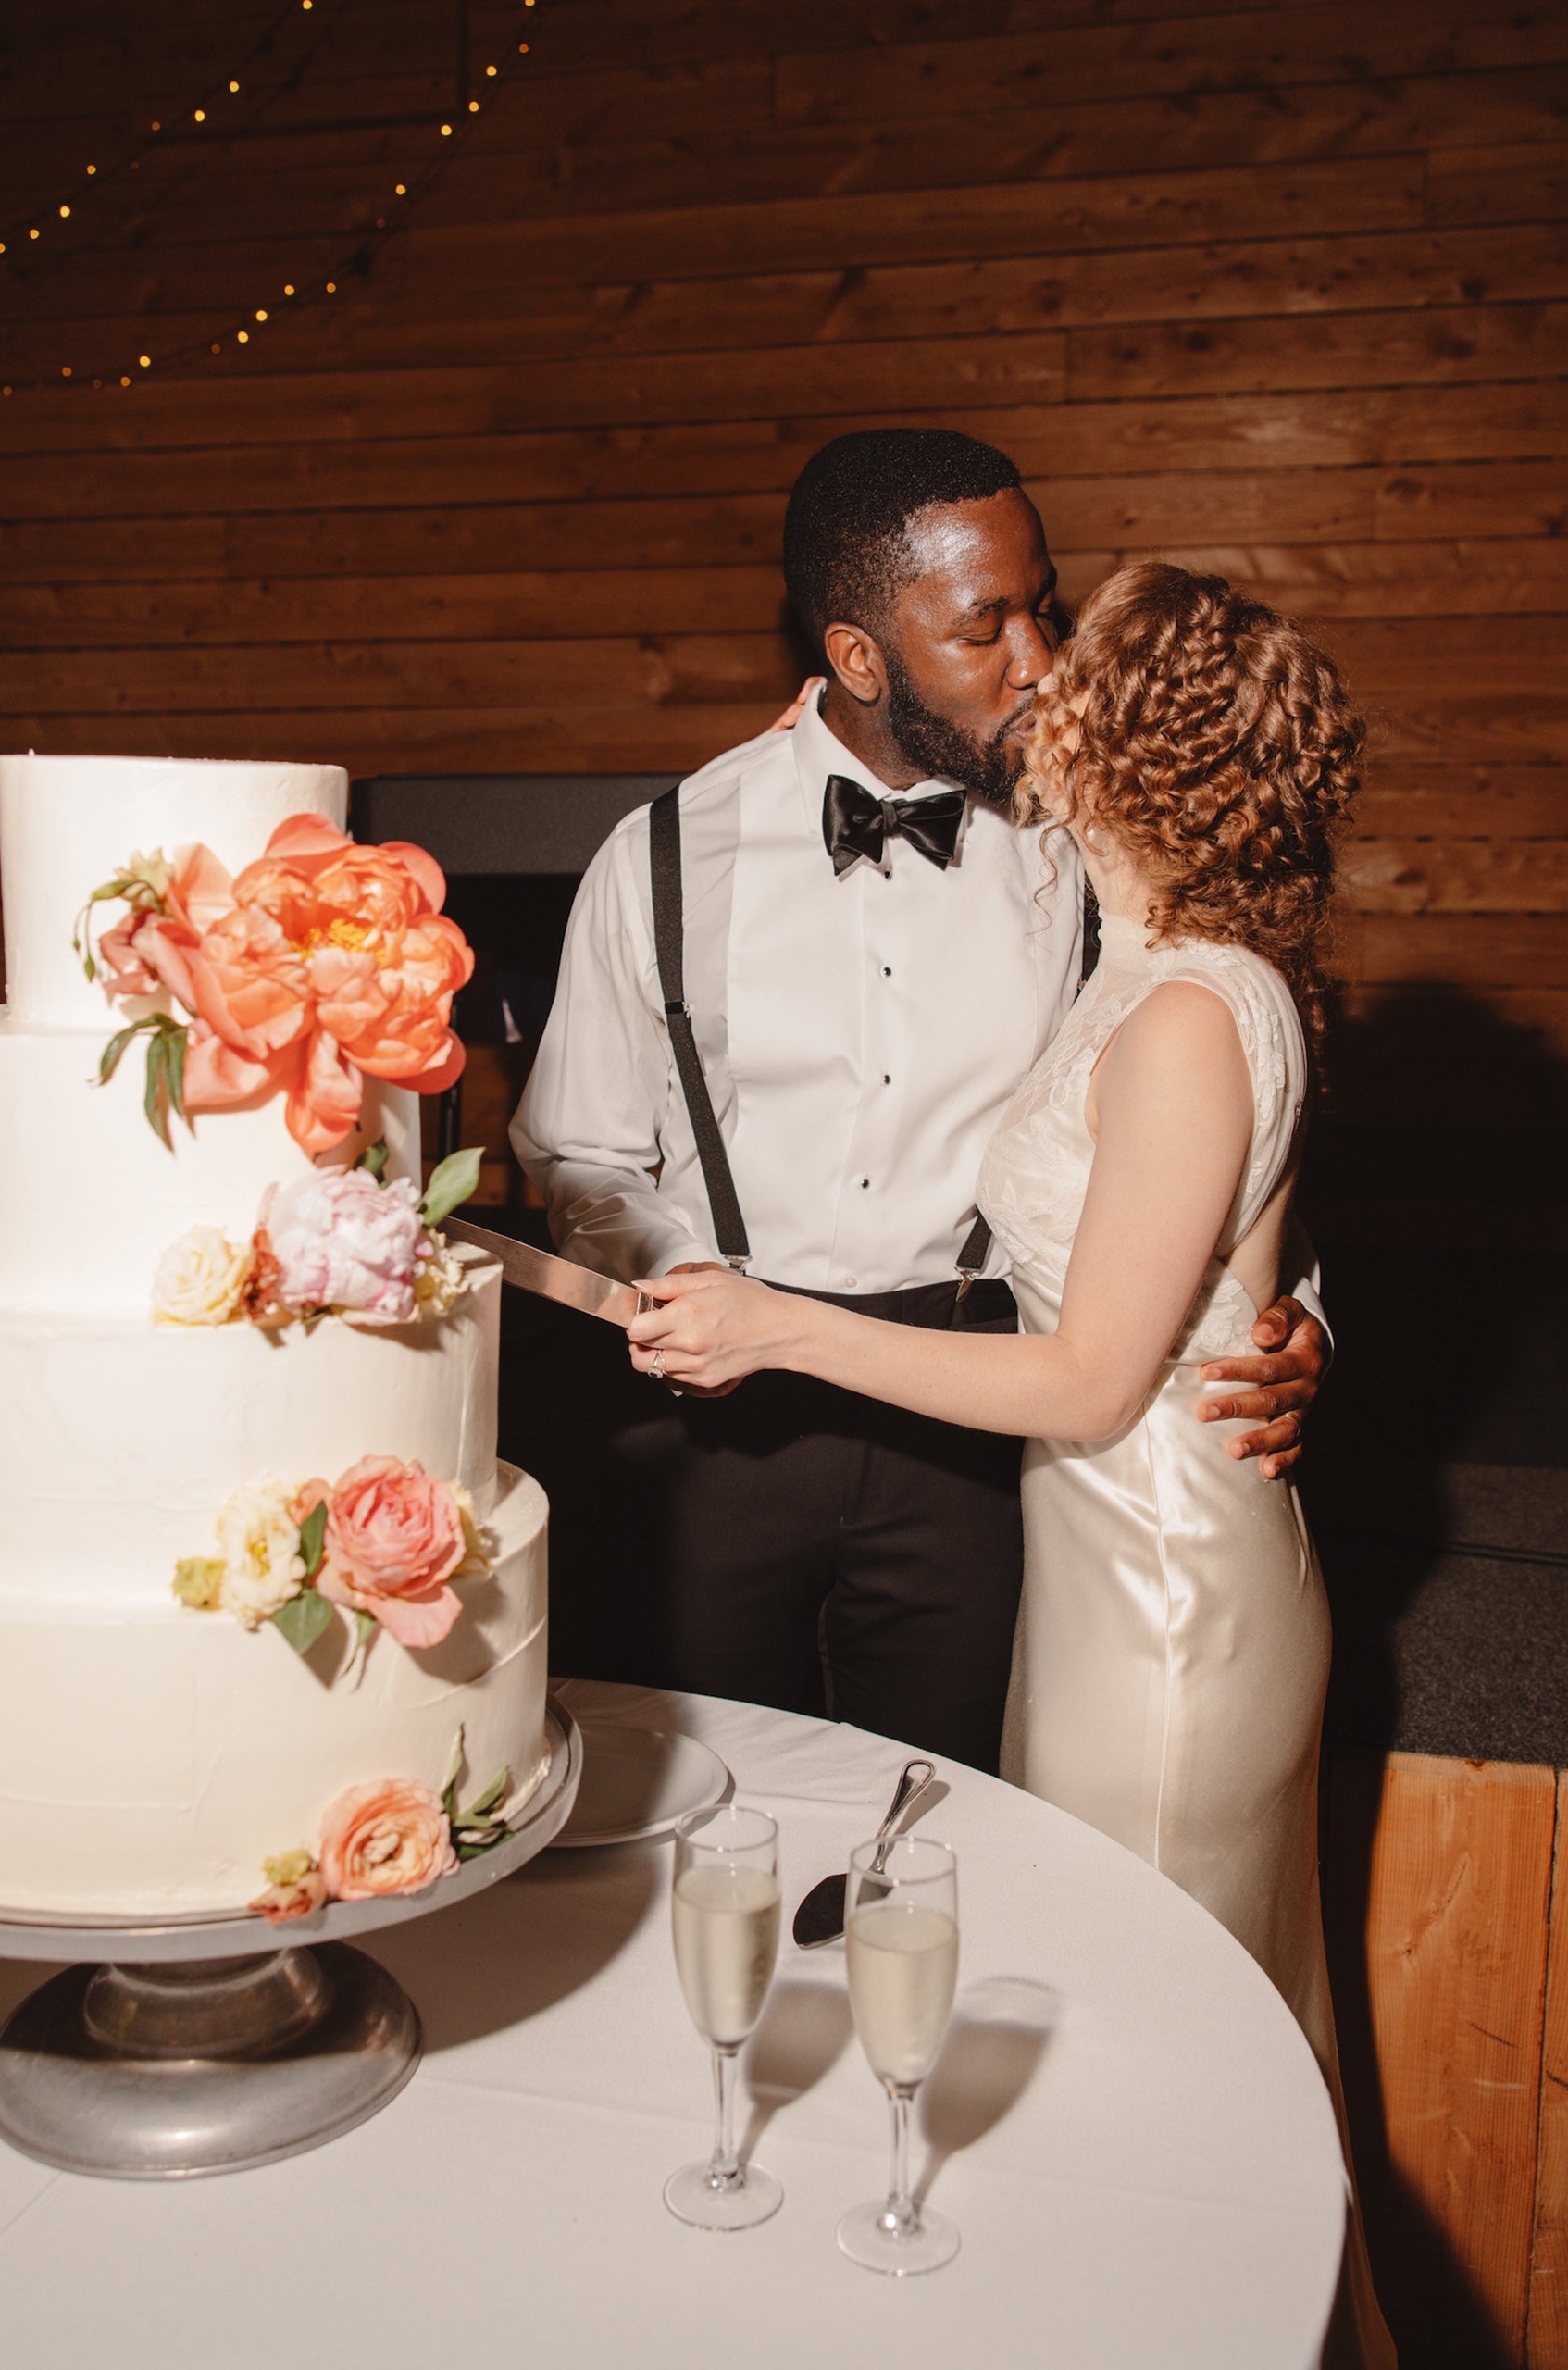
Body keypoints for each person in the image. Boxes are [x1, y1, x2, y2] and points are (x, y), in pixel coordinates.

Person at [625, 559, 1392, 2367]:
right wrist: (1279, 1322)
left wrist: (777, 1322)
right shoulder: (1143, 952)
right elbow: (1212, 1254)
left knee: (1155, 2085)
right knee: (1193, 2054)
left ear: (1133, 740)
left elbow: (1096, 1365)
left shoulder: (1195, 1001)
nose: (1031, 674)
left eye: (1075, 657)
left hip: (1162, 1607)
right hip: (1115, 1568)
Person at [511, 430, 1326, 1773]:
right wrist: (677, 1280)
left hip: (986, 1425)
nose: (1042, 661)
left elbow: (1211, 1096)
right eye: (984, 626)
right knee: (697, 1801)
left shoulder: (1080, 846)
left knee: (956, 1815)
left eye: (1044, 606)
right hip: (713, 1435)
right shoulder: (662, 855)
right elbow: (581, 1154)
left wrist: (1290, 1322)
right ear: (857, 660)